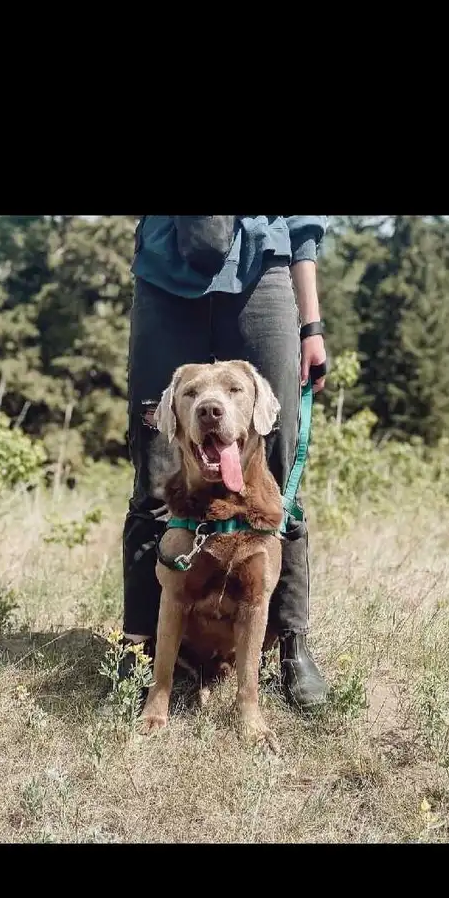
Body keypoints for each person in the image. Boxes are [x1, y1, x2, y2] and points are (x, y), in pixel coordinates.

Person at [122, 215, 329, 709]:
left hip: (262, 269)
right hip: (165, 274)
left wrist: (311, 324)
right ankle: (140, 650)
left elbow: (304, 223)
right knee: (154, 483)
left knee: (277, 482)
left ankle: (290, 645)